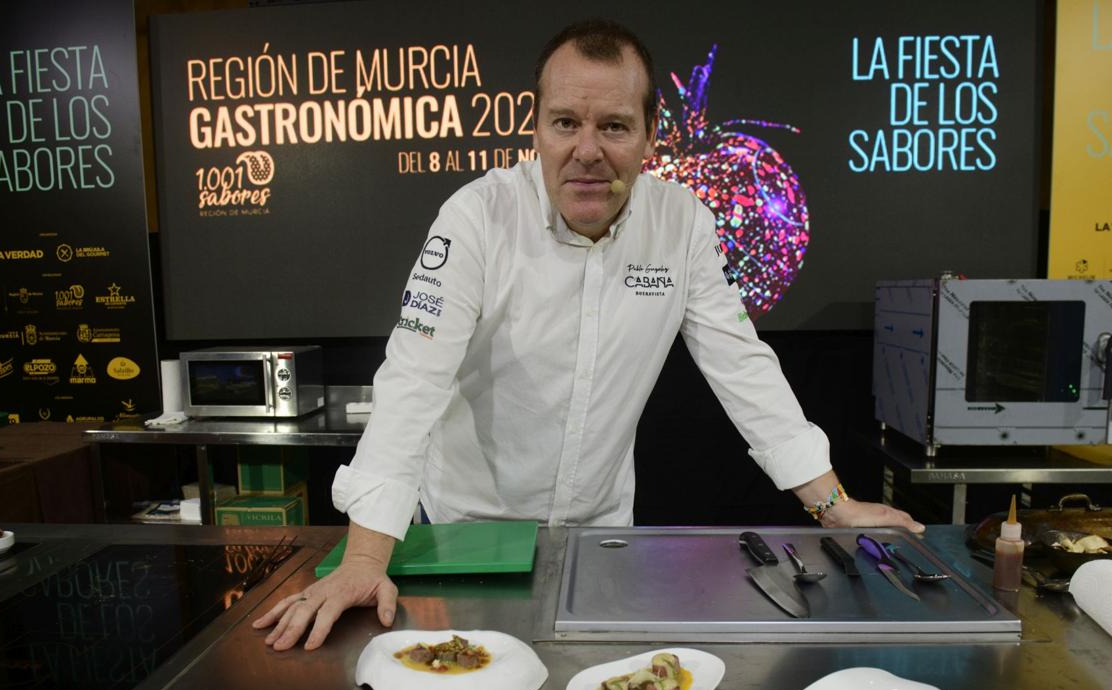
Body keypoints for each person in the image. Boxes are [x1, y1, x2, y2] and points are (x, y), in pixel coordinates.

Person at [254, 19, 923, 652]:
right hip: (465, 531)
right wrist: (366, 557)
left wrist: (834, 507)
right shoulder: (478, 217)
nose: (588, 151)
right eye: (566, 123)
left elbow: (741, 365)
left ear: (650, 134)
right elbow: (413, 379)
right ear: (536, 126)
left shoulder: (681, 223)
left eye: (614, 126)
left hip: (599, 537)